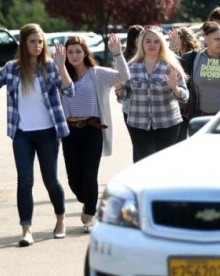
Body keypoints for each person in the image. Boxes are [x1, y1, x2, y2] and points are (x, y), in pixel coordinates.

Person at [0, 23, 74, 247]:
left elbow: (69, 90)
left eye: (40, 41)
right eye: (33, 41)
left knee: (51, 181)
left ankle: (60, 220)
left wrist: (62, 67)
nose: (37, 46)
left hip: (49, 133)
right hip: (22, 134)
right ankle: (27, 230)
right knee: (25, 182)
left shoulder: (51, 66)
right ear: (23, 43)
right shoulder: (12, 68)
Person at [61, 34, 129, 233]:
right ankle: (89, 201)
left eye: (78, 51)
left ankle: (89, 216)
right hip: (70, 131)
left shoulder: (97, 74)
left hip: (93, 130)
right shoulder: (61, 74)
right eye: (70, 52)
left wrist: (117, 54)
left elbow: (123, 76)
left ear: (85, 53)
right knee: (74, 179)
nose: (74, 55)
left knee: (89, 176)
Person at [115, 26, 189, 162]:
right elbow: (124, 97)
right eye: (148, 41)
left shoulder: (170, 66)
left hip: (168, 123)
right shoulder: (131, 67)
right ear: (141, 44)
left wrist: (175, 88)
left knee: (163, 163)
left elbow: (185, 96)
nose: (152, 45)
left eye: (156, 41)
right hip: (138, 123)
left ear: (162, 44)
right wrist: (119, 88)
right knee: (144, 161)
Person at [115, 25, 144, 162]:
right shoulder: (125, 58)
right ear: (133, 39)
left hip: (147, 107)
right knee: (138, 144)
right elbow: (121, 82)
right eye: (141, 37)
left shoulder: (148, 55)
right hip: (130, 107)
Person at [168, 27, 201, 141]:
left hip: (192, 103)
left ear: (185, 40)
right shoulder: (172, 55)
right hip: (179, 104)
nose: (175, 42)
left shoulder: (195, 56)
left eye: (177, 39)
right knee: (178, 139)